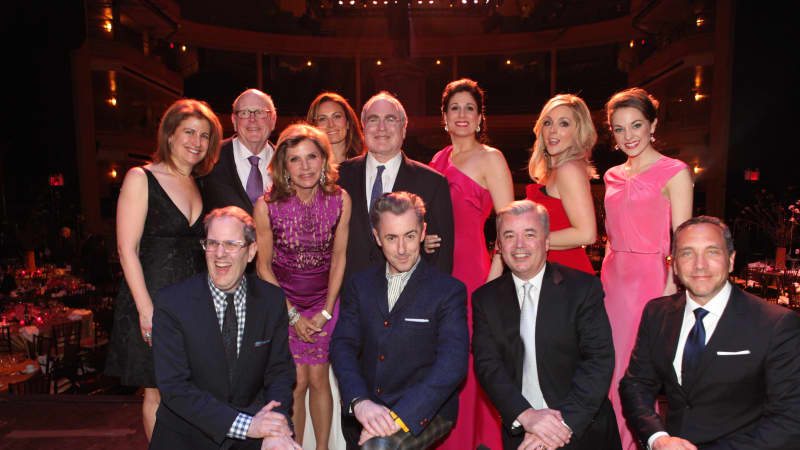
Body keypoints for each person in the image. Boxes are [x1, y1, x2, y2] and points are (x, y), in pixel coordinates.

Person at [620, 216, 800, 449]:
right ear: (674, 264)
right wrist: (658, 439)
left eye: (712, 252)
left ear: (731, 260)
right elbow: (636, 384)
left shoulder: (776, 324)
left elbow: (789, 418)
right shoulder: (657, 313)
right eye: (687, 253)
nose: (699, 264)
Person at [106, 99, 222, 442]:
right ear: (169, 135)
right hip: (153, 299)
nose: (196, 142)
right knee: (157, 392)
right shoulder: (141, 177)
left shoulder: (199, 184)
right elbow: (127, 250)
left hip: (196, 303)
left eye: (204, 135)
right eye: (189, 132)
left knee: (194, 390)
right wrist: (146, 311)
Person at [472, 200, 620, 450]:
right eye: (509, 236)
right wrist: (526, 416)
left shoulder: (582, 289)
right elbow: (488, 366)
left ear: (547, 241)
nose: (519, 245)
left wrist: (558, 428)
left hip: (582, 429)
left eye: (529, 234)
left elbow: (599, 362)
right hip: (521, 431)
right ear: (499, 245)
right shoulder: (485, 299)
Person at [151, 207, 300, 450]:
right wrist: (247, 426)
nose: (220, 254)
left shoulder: (271, 301)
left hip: (251, 437)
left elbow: (280, 372)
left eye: (231, 244)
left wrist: (276, 422)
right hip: (186, 438)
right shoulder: (172, 302)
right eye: (212, 243)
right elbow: (175, 388)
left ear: (251, 251)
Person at [331, 192, 469, 450]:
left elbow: (453, 365)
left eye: (410, 236)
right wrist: (360, 401)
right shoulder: (359, 285)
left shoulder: (448, 291)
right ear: (376, 237)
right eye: (391, 238)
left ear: (423, 231)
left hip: (427, 407)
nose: (402, 249)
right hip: (367, 403)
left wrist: (400, 418)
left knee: (379, 447)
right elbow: (343, 345)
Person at [601, 87, 693, 449]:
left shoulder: (675, 172)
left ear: (653, 125)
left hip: (652, 281)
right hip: (612, 279)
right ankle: (609, 438)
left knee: (637, 371)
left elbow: (683, 239)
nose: (629, 136)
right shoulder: (610, 175)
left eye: (636, 125)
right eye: (619, 129)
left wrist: (672, 290)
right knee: (608, 366)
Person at [426, 78, 513, 450]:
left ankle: (478, 440)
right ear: (444, 117)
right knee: (443, 356)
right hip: (437, 272)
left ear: (480, 117)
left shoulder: (491, 158)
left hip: (476, 269)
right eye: (454, 108)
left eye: (469, 109)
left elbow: (509, 223)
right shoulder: (436, 161)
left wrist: (495, 275)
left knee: (476, 357)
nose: (462, 115)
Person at [254, 124, 351, 449]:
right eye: (295, 159)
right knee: (296, 382)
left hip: (326, 300)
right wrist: (292, 314)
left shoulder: (340, 200)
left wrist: (325, 311)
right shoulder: (266, 205)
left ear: (324, 160)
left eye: (312, 156)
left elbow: (339, 259)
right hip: (285, 303)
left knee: (320, 378)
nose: (305, 166)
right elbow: (263, 267)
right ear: (283, 165)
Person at [337, 91, 454, 283]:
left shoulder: (433, 183)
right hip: (351, 301)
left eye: (390, 119)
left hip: (411, 299)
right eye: (373, 120)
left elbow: (442, 259)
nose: (381, 128)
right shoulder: (339, 177)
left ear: (404, 129)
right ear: (363, 128)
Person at [525, 94, 598, 274]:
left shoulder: (568, 169)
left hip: (566, 274)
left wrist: (528, 241)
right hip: (549, 270)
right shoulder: (553, 170)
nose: (552, 130)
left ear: (578, 131)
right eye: (548, 122)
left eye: (564, 123)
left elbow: (587, 234)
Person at [201, 89, 277, 215]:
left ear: (273, 120)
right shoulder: (209, 156)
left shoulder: (289, 162)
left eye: (260, 112)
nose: (252, 119)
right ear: (234, 121)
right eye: (244, 113)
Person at [307, 92, 365, 164]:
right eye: (322, 119)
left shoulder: (366, 164)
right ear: (314, 126)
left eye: (337, 116)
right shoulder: (309, 168)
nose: (331, 125)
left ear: (348, 122)